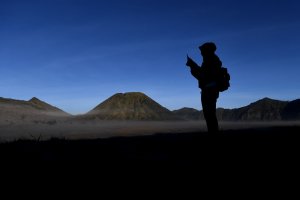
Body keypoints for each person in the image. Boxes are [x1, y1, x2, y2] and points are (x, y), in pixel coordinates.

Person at [186, 42, 222, 133]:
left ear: (207, 50)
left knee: (209, 114)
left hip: (209, 90)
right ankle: (213, 134)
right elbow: (204, 74)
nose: (201, 52)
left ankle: (213, 135)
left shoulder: (211, 60)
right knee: (210, 114)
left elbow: (203, 76)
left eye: (202, 50)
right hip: (210, 90)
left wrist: (192, 66)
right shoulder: (211, 60)